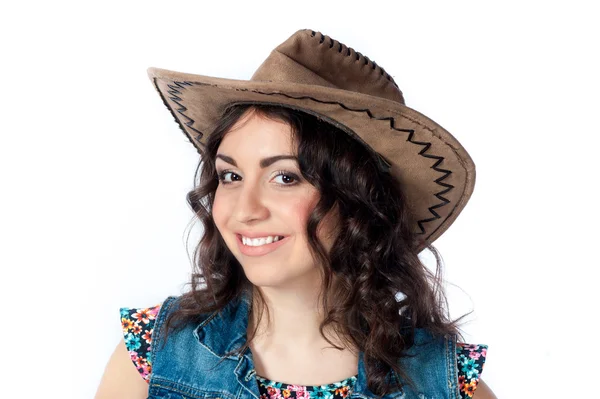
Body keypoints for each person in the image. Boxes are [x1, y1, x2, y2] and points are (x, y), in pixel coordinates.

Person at [95, 30, 496, 399]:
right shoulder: (152, 355)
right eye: (231, 176)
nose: (244, 209)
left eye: (285, 177)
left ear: (359, 203)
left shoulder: (447, 383)